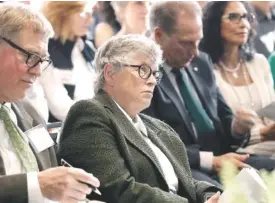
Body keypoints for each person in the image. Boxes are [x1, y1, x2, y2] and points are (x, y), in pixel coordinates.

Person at [58, 34, 221, 203]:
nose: (152, 81)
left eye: (155, 74)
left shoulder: (157, 127)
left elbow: (184, 182)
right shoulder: (90, 113)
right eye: (143, 70)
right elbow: (118, 190)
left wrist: (210, 196)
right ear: (110, 73)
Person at [143, 1, 275, 186]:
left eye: (198, 41)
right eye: (187, 43)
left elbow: (224, 119)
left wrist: (236, 128)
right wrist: (211, 161)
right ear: (158, 35)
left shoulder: (201, 62)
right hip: (186, 166)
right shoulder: (142, 74)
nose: (195, 51)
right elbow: (152, 143)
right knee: (222, 195)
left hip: (225, 157)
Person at [0, 2, 100, 202]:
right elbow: (42, 184)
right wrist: (37, 185)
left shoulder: (29, 112)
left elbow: (50, 176)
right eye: (30, 57)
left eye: (42, 60)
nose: (37, 71)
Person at [200, 1, 275, 157]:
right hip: (240, 153)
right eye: (233, 17)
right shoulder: (205, 71)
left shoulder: (259, 62)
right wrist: (262, 133)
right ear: (213, 23)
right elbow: (220, 131)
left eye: (246, 17)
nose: (244, 24)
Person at [40, 1, 96, 122]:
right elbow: (60, 108)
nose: (90, 20)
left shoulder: (87, 48)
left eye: (91, 14)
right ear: (63, 14)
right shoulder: (45, 52)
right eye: (85, 14)